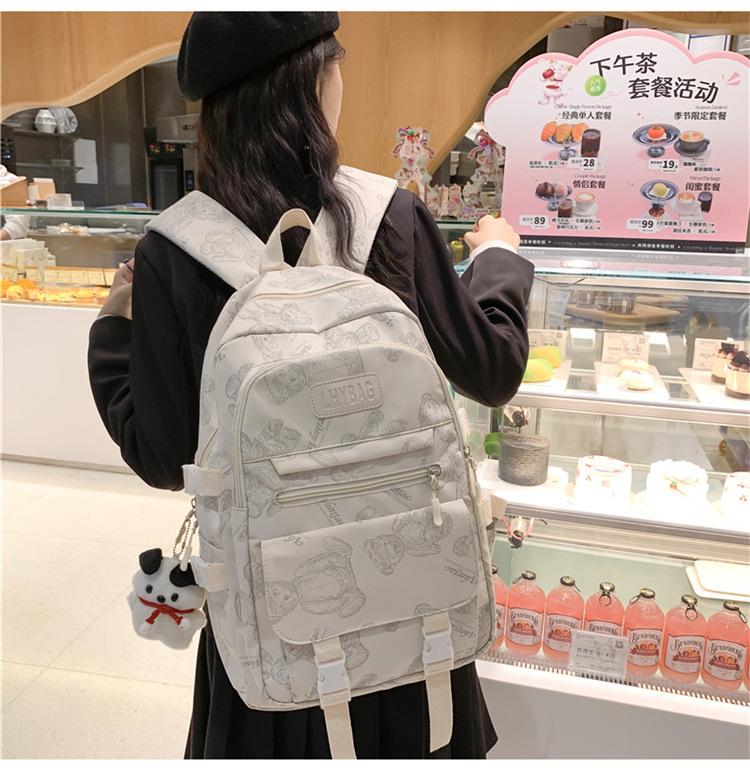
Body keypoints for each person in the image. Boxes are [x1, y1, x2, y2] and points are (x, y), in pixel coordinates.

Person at [88, 12, 534, 760]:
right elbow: (494, 370)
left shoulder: (177, 247)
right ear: (316, 82)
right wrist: (496, 260)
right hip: (414, 616)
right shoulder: (386, 215)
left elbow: (162, 457)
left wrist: (112, 328)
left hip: (272, 627)